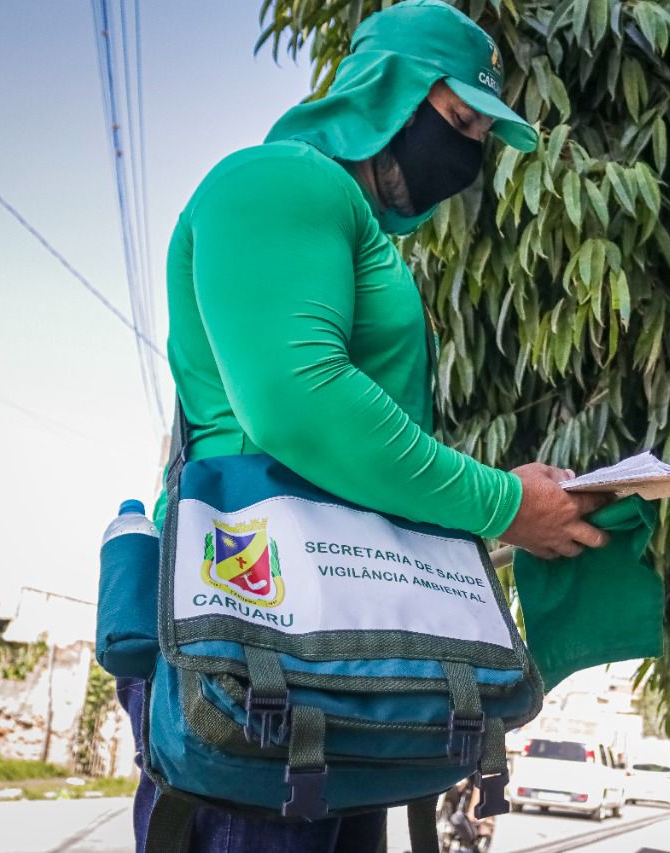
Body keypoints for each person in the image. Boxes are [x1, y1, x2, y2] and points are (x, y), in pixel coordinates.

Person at [119, 1, 608, 850]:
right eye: (458, 121)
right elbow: (302, 405)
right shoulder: (280, 179)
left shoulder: (347, 224)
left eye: (482, 137)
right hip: (262, 652)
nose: (468, 155)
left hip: (318, 662)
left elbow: (352, 466)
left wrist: (514, 509)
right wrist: (503, 502)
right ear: (387, 92)